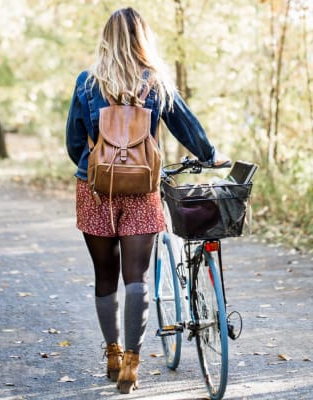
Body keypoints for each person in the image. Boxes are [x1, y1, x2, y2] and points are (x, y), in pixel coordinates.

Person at [65, 7, 228, 394]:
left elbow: (74, 142)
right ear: (142, 40)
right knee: (135, 278)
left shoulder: (87, 82)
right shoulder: (154, 82)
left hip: (95, 190)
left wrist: (94, 167)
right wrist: (208, 155)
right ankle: (133, 366)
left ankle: (112, 353)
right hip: (142, 189)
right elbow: (186, 125)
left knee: (105, 277)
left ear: (106, 38)